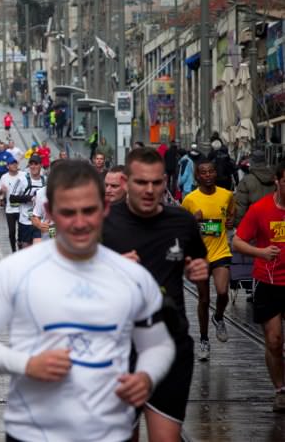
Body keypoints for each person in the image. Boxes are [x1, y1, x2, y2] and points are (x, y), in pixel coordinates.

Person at [0, 159, 176, 442]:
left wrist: (146, 376)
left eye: (89, 211)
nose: (80, 222)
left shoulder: (132, 275)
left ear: (105, 208)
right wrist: (25, 364)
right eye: (68, 212)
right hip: (32, 434)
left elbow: (158, 343)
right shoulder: (17, 270)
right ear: (49, 213)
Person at [103, 147, 208, 441]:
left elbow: (196, 261)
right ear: (126, 182)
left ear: (165, 182)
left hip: (171, 344)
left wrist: (197, 270)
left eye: (156, 183)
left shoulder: (182, 222)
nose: (149, 190)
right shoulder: (102, 223)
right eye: (140, 183)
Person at [232, 159, 285, 412]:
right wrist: (260, 252)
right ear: (277, 181)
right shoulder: (261, 209)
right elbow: (238, 242)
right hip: (268, 280)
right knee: (274, 341)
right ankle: (280, 391)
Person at [181, 159, 234, 359]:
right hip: (200, 255)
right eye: (204, 172)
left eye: (211, 171)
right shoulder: (190, 200)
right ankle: (204, 340)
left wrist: (230, 221)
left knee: (222, 292)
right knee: (203, 299)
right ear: (197, 176)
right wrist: (193, 222)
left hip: (221, 252)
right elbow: (182, 227)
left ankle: (218, 317)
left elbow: (231, 214)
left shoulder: (227, 195)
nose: (208, 175)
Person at [11, 155, 46, 249]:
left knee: (39, 249)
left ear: (41, 165)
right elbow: (12, 198)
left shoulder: (45, 180)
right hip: (26, 221)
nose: (33, 166)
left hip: (40, 222)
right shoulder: (22, 180)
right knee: (25, 250)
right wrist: (30, 198)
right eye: (31, 164)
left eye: (36, 164)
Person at [234, 149, 275, 227]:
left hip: (254, 224)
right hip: (273, 223)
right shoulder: (275, 178)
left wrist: (239, 225)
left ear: (252, 163)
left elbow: (241, 207)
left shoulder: (246, 180)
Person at [0, 158, 27, 253]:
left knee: (22, 231)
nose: (14, 165)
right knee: (11, 232)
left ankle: (20, 246)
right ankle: (14, 250)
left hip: (21, 209)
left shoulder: (23, 175)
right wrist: (2, 191)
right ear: (8, 166)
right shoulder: (4, 177)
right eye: (12, 164)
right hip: (10, 210)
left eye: (15, 163)